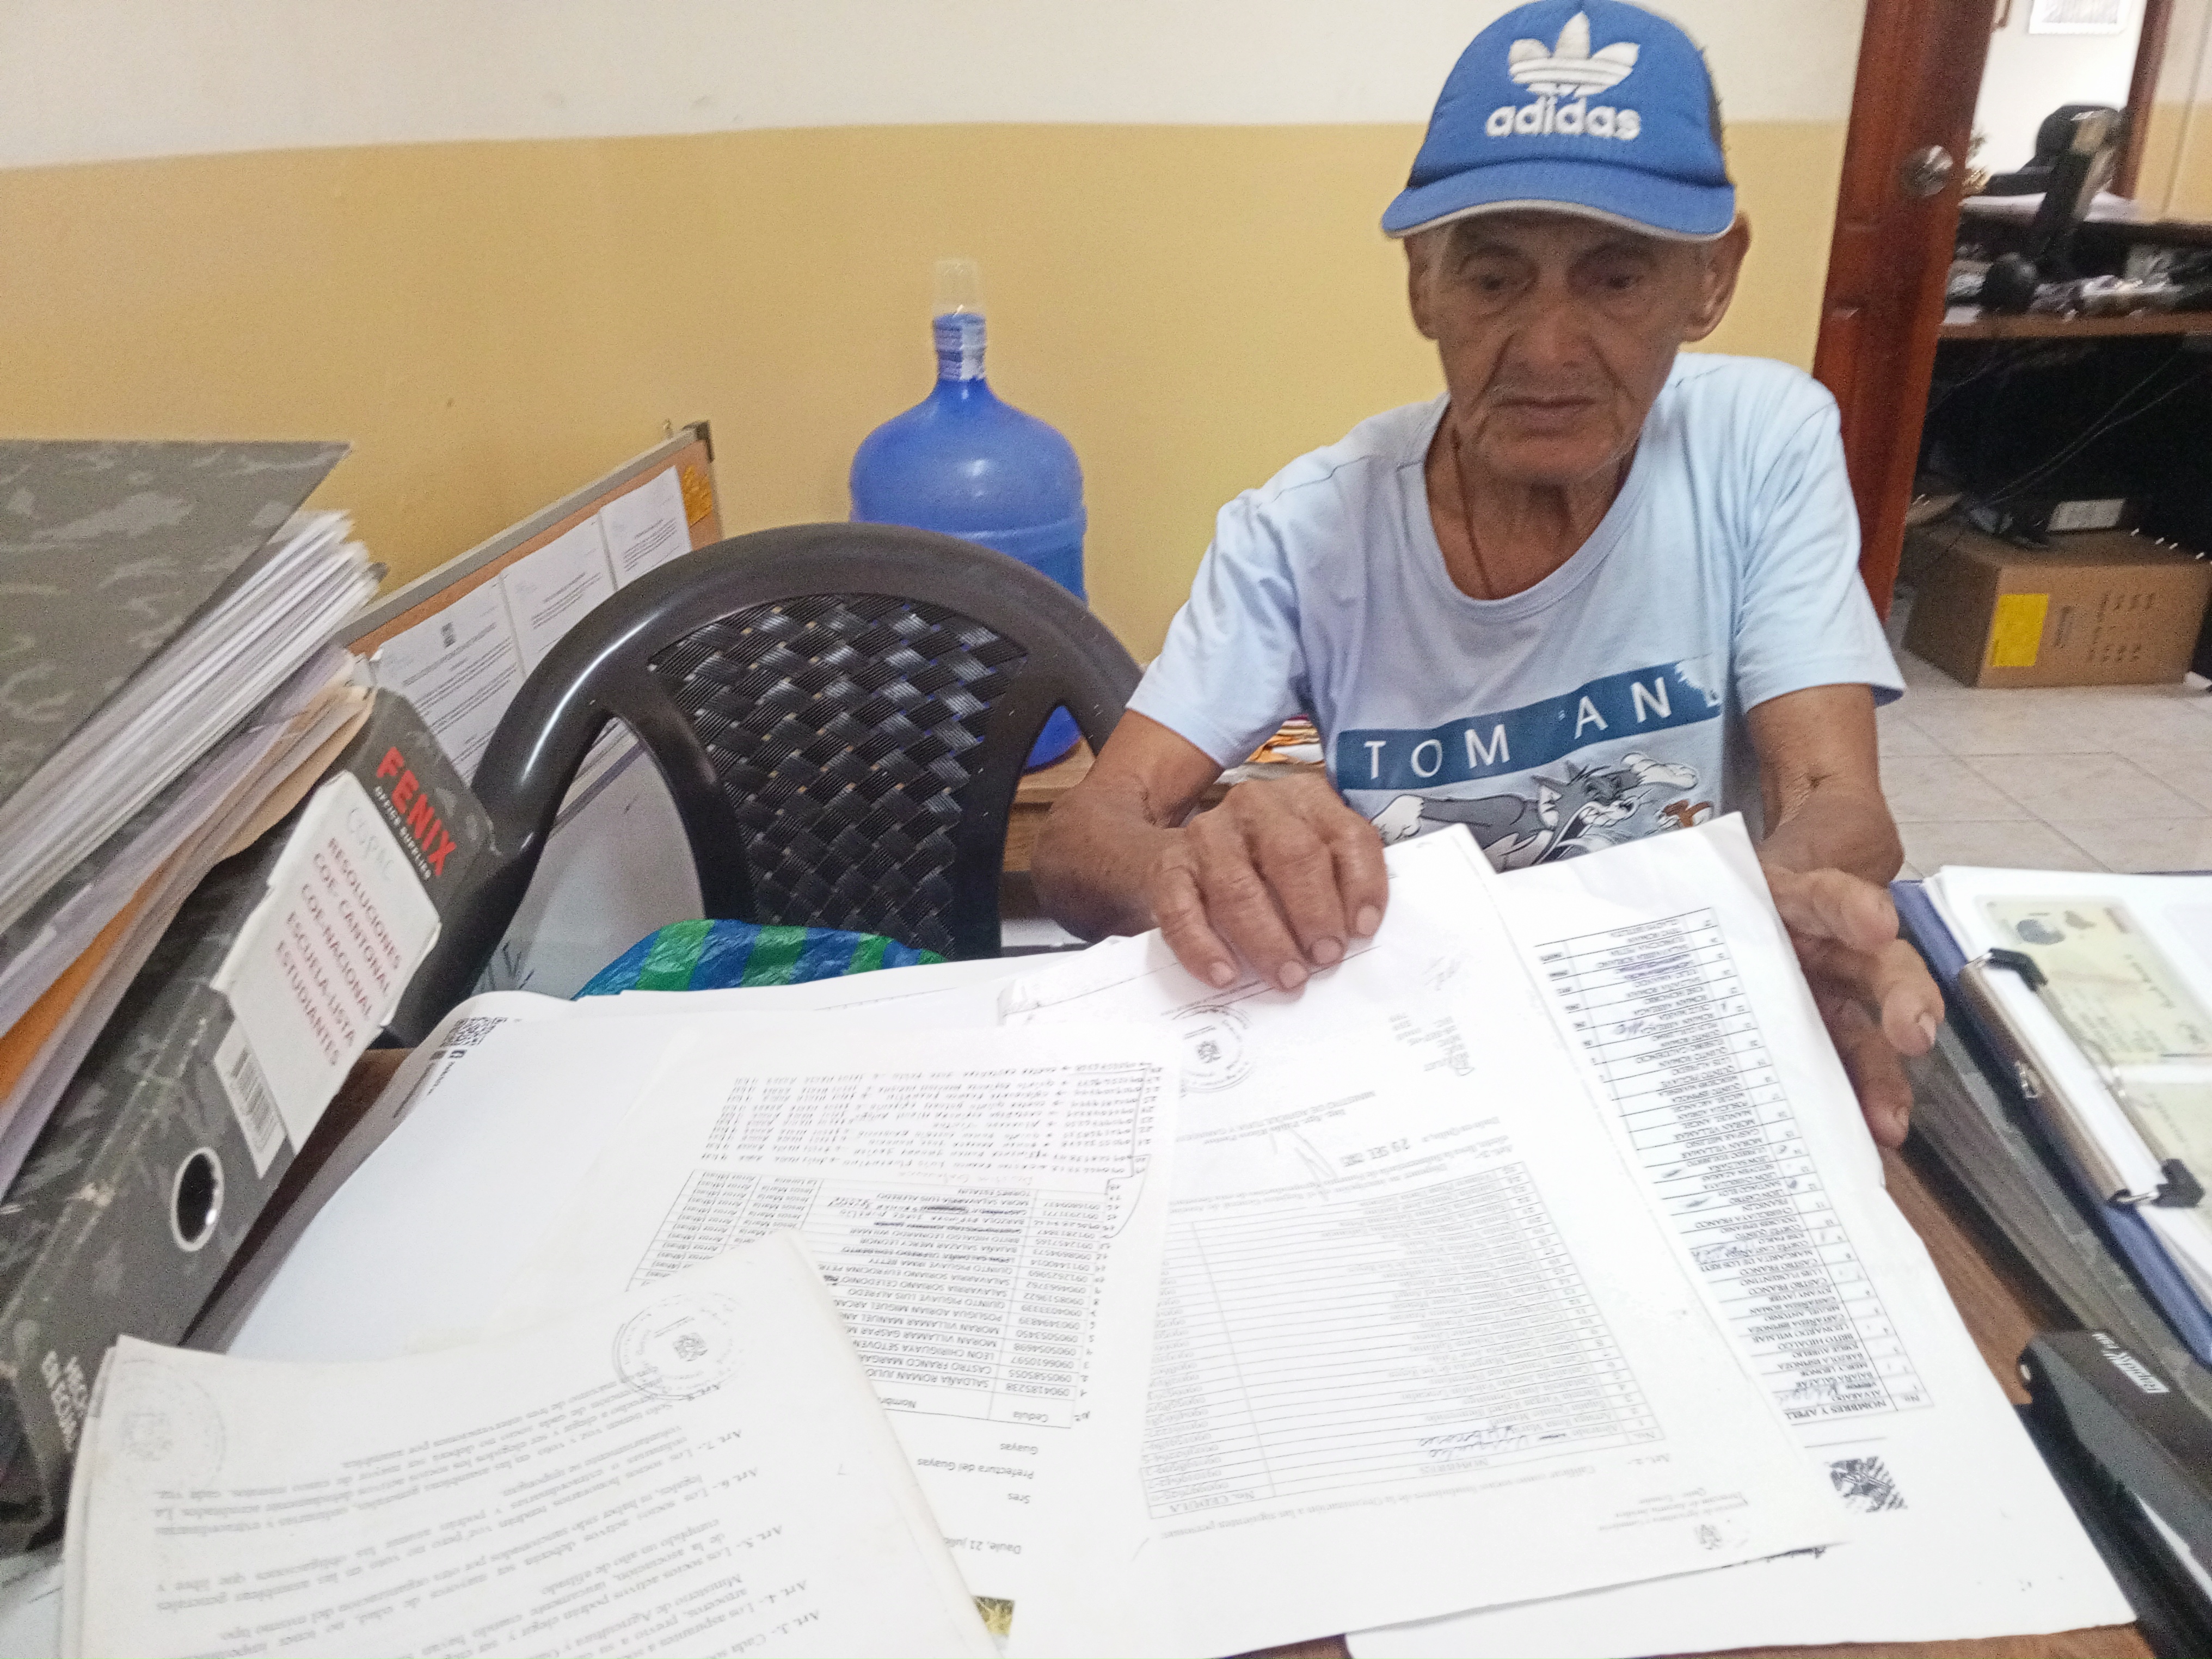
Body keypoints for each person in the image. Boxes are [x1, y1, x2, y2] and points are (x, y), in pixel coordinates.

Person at [1034, 0, 1944, 1146]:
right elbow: (1084, 840)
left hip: (1666, 1011)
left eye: (1617, 280)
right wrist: (1195, 863)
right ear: (1423, 284)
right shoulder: (1302, 530)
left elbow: (1832, 798)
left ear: (1711, 280)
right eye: (1493, 280)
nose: (1548, 350)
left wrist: (1773, 906)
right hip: (1424, 1051)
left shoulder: (1761, 440)